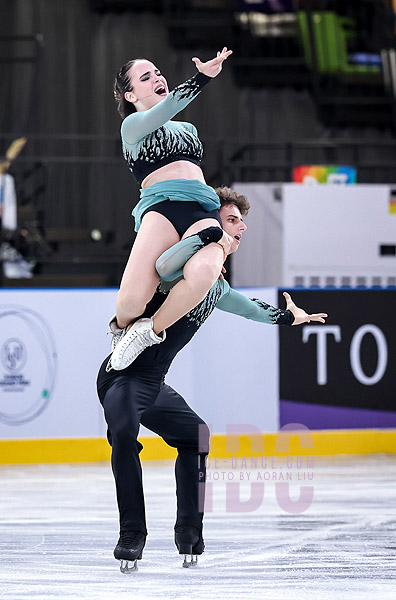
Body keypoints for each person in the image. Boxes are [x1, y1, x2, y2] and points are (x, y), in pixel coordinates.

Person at [96, 186, 328, 573]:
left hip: (153, 384)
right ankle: (132, 534)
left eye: (242, 222)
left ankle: (189, 532)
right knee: (123, 434)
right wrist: (205, 237)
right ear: (211, 222)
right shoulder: (176, 270)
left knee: (195, 437)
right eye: (232, 220)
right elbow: (164, 264)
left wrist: (290, 317)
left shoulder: (214, 287)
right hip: (119, 377)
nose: (242, 228)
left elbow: (251, 309)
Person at [109, 48, 234, 372]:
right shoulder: (132, 126)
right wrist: (203, 77)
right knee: (133, 301)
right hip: (162, 209)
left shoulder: (188, 129)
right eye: (145, 77)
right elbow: (167, 108)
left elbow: (172, 112)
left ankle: (148, 331)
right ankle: (121, 329)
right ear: (130, 94)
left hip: (201, 208)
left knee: (205, 274)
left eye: (158, 72)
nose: (157, 78)